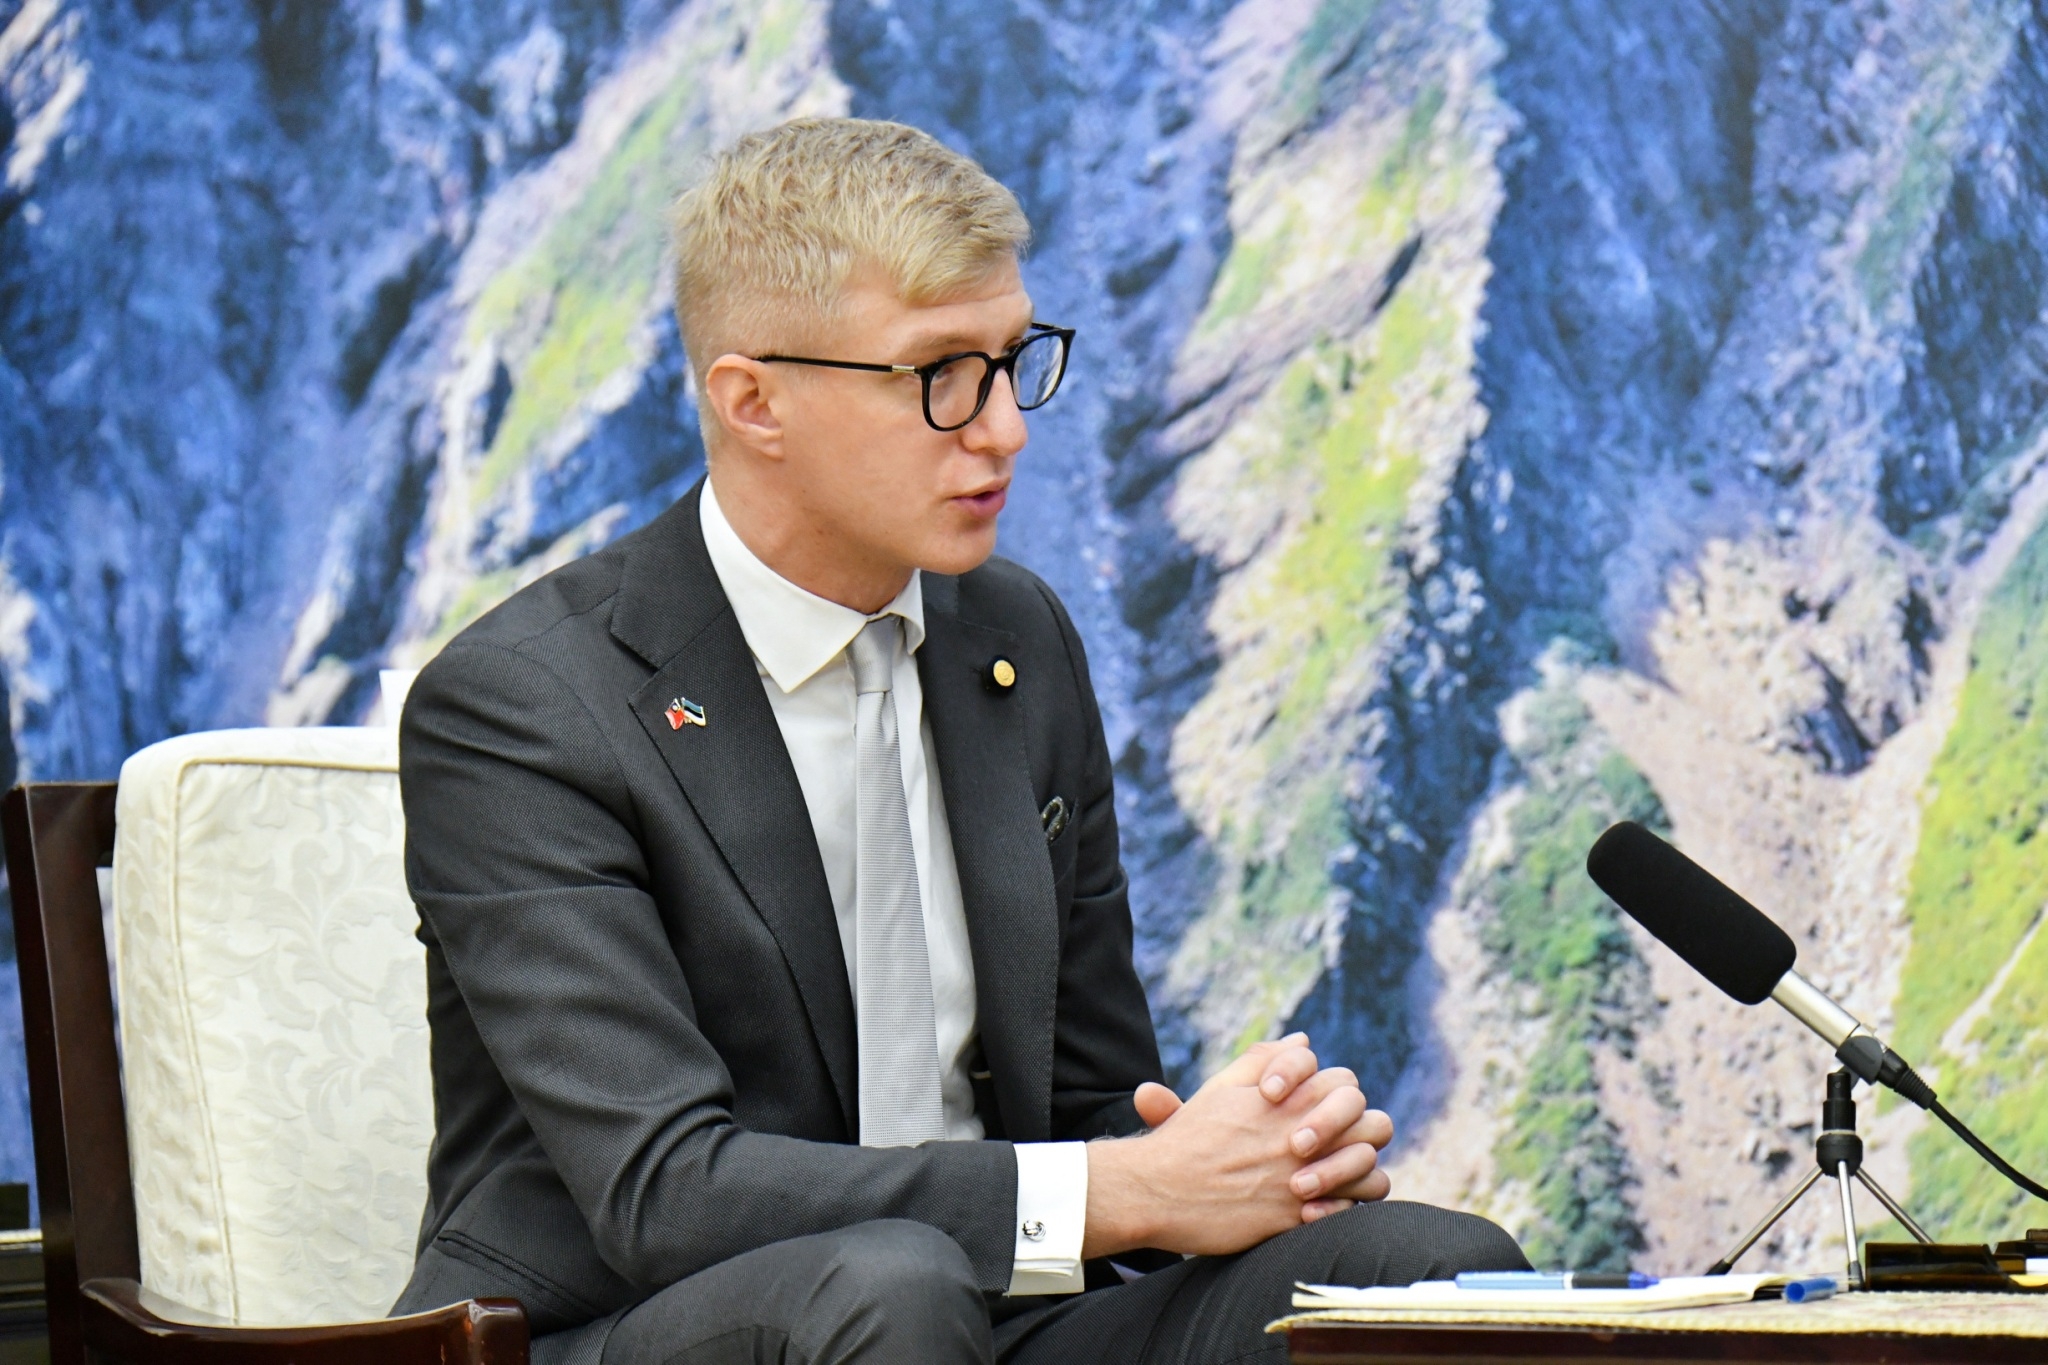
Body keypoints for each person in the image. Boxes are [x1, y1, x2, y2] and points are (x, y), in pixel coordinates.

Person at [392, 116, 1526, 1365]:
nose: (1002, 429)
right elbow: (663, 1190)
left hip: (981, 1310)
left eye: (1011, 360)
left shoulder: (1014, 639)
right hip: (627, 1329)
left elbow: (1088, 1098)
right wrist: (1122, 1191)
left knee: (1426, 1271)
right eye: (939, 374)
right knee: (892, 1286)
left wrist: (1252, 1158)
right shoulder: (523, 706)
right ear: (753, 401)